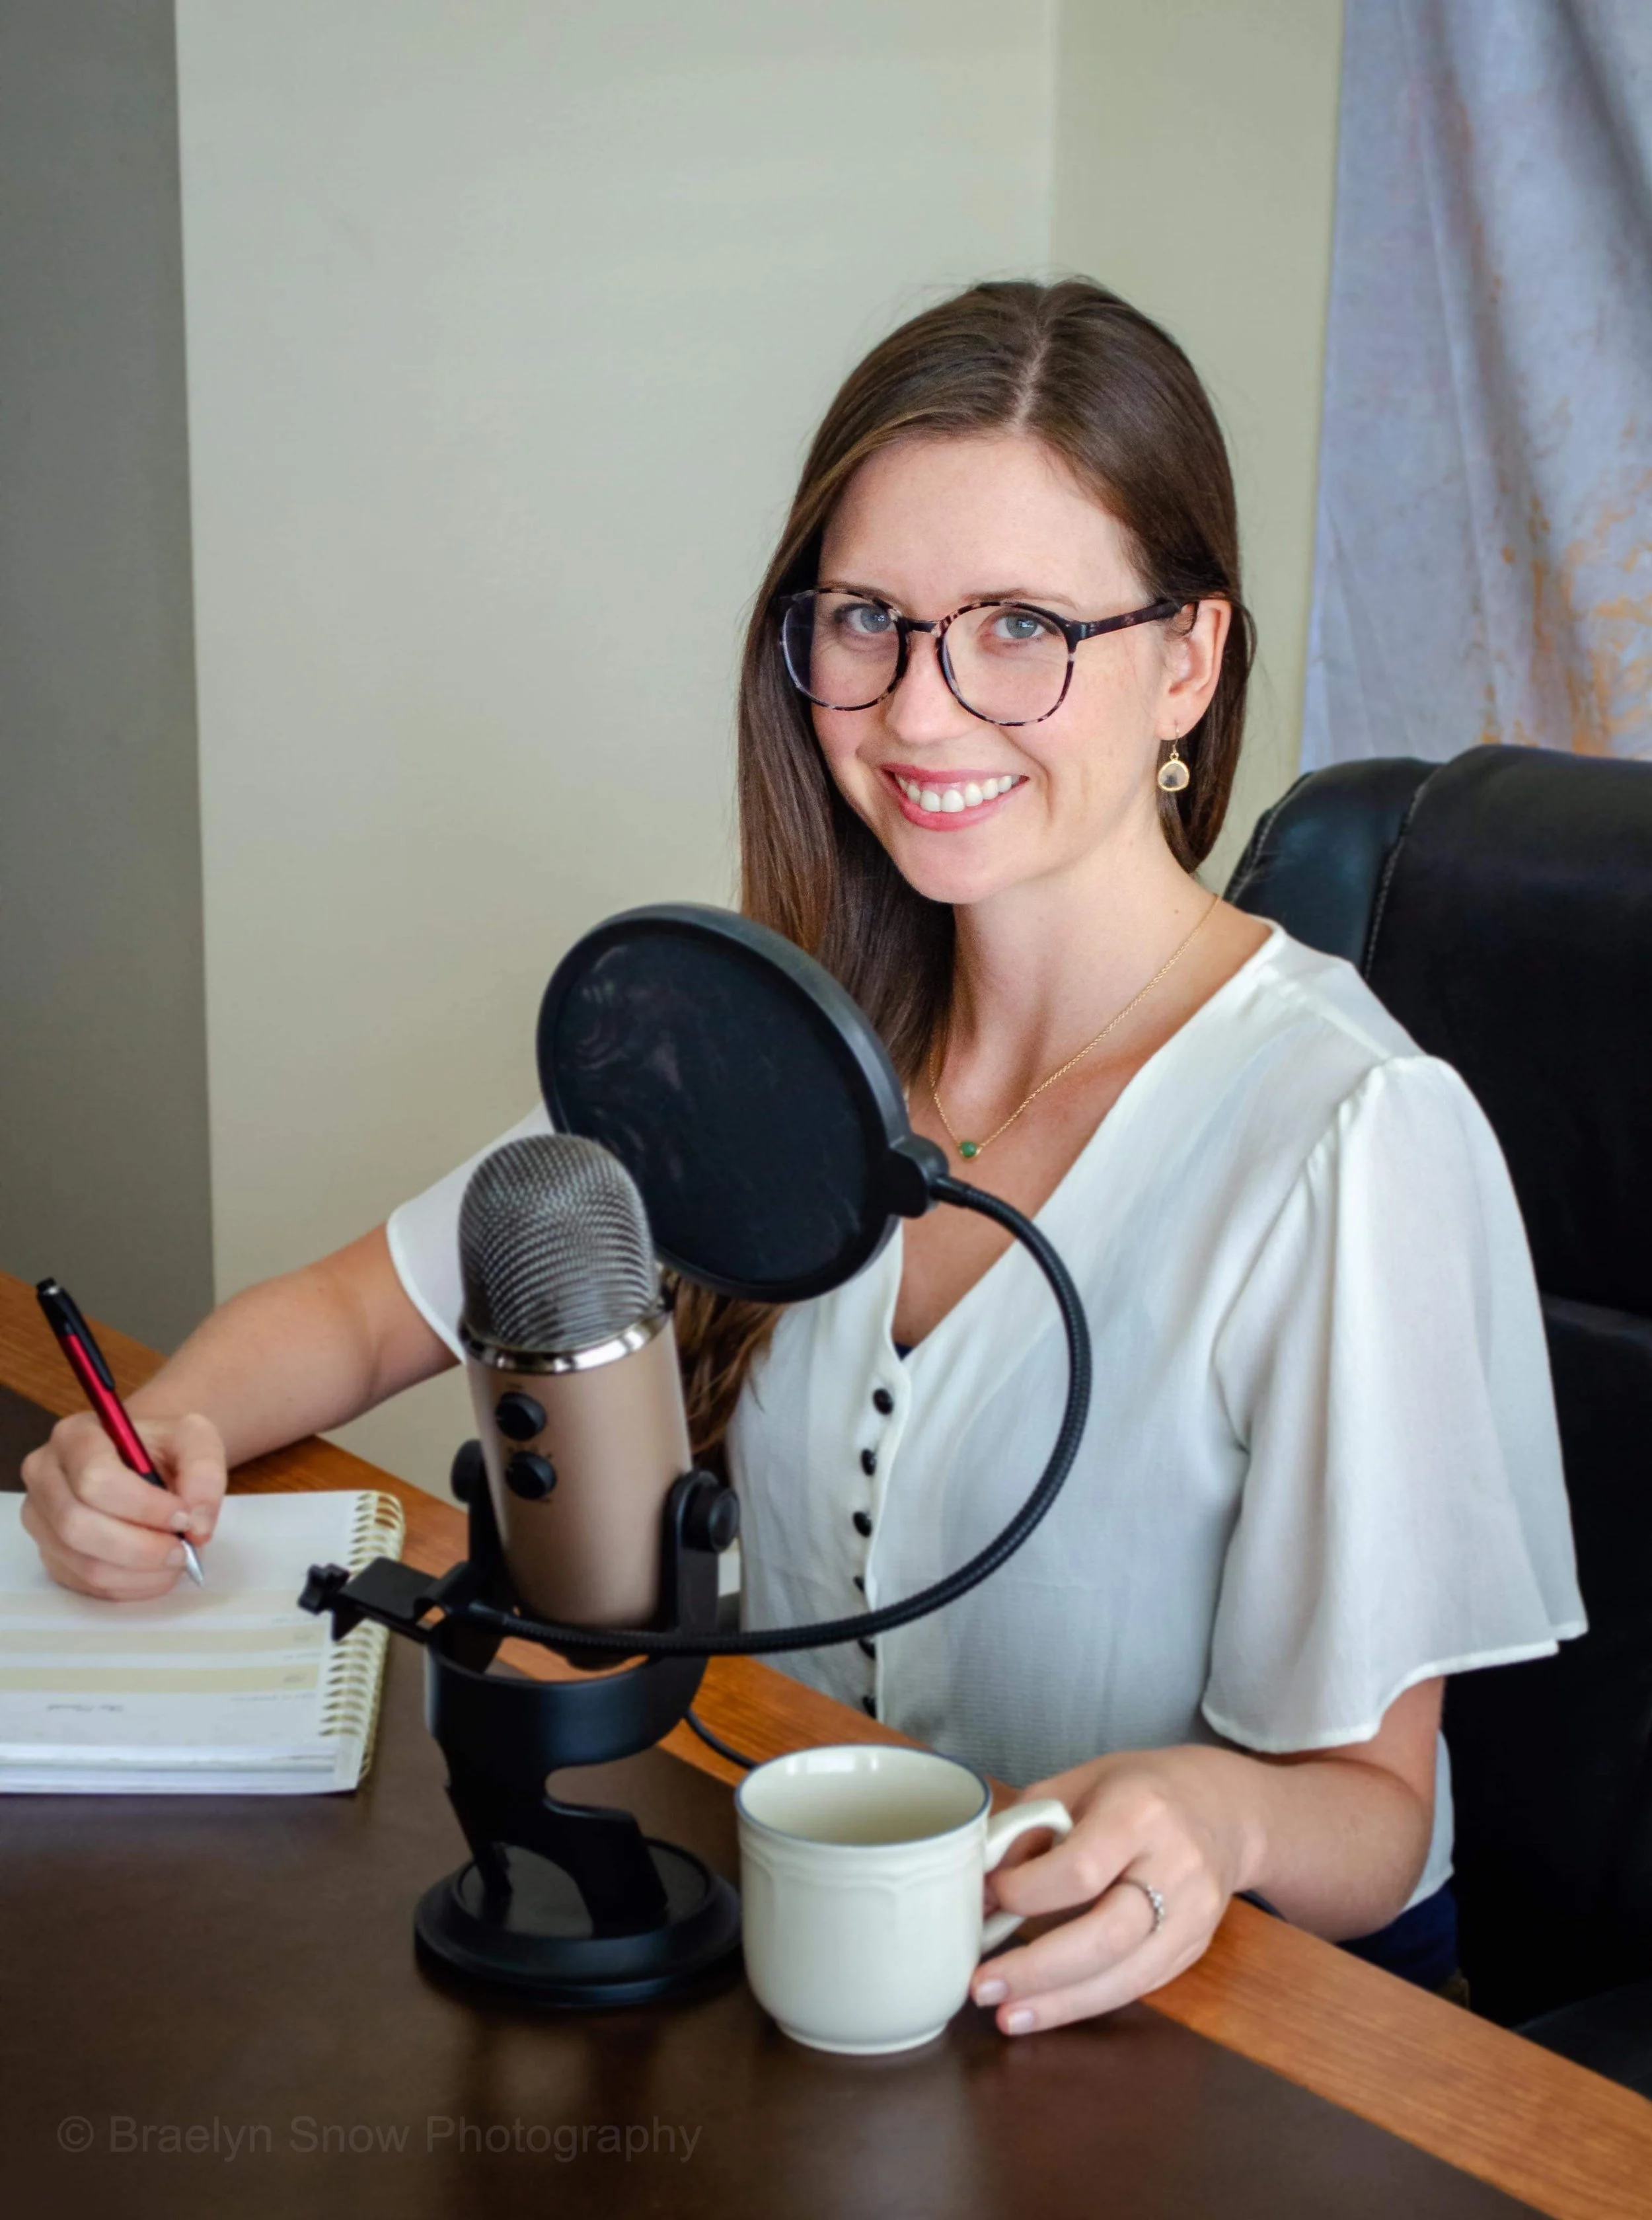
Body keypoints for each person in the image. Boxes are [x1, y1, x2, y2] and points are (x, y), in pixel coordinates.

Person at [20, 279, 1583, 2034]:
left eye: (1016, 628)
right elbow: (355, 1306)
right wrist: (159, 1442)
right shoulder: (772, 1037)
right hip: (821, 1958)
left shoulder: (1350, 1137)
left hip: (1215, 2029)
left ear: (1185, 662)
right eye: (869, 620)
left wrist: (1211, 1812)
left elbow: (1369, 1826)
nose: (918, 715)